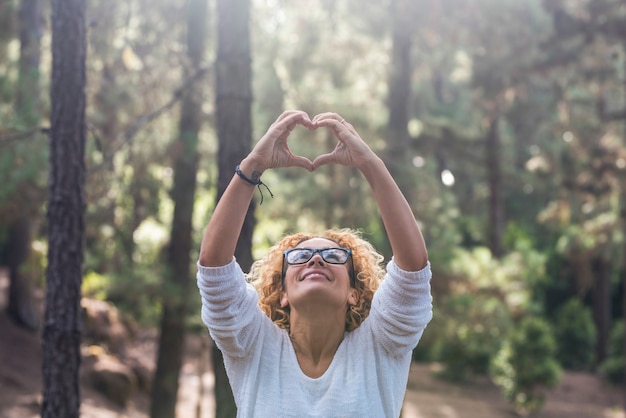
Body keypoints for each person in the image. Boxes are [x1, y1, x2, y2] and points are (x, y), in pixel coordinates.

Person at [197, 110, 433, 417]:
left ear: (354, 292)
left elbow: (413, 271)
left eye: (334, 257)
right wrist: (253, 164)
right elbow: (213, 269)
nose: (317, 259)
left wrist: (370, 164)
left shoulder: (381, 344)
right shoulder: (254, 346)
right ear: (282, 292)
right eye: (300, 257)